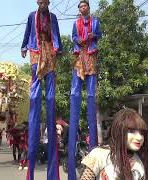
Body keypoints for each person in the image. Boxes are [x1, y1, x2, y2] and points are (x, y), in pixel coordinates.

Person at [21, 0, 62, 179]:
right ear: (38, 2)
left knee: (50, 86)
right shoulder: (32, 16)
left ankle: (50, 101)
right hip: (36, 49)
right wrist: (23, 46)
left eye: (46, 1)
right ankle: (35, 99)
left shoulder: (53, 17)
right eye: (41, 1)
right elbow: (28, 32)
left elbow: (57, 34)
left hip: (49, 49)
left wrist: (58, 48)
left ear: (48, 2)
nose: (44, 3)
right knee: (36, 83)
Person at [68, 1, 102, 179]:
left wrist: (92, 35)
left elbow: (99, 35)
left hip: (91, 53)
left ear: (88, 7)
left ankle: (93, 148)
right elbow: (73, 37)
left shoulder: (96, 20)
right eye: (81, 6)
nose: (83, 8)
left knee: (90, 93)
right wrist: (78, 40)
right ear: (79, 9)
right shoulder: (75, 23)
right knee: (75, 91)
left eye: (85, 6)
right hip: (80, 55)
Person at [80, 108, 148, 180]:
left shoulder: (140, 159)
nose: (139, 137)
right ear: (118, 131)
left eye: (142, 133)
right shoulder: (100, 154)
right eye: (132, 131)